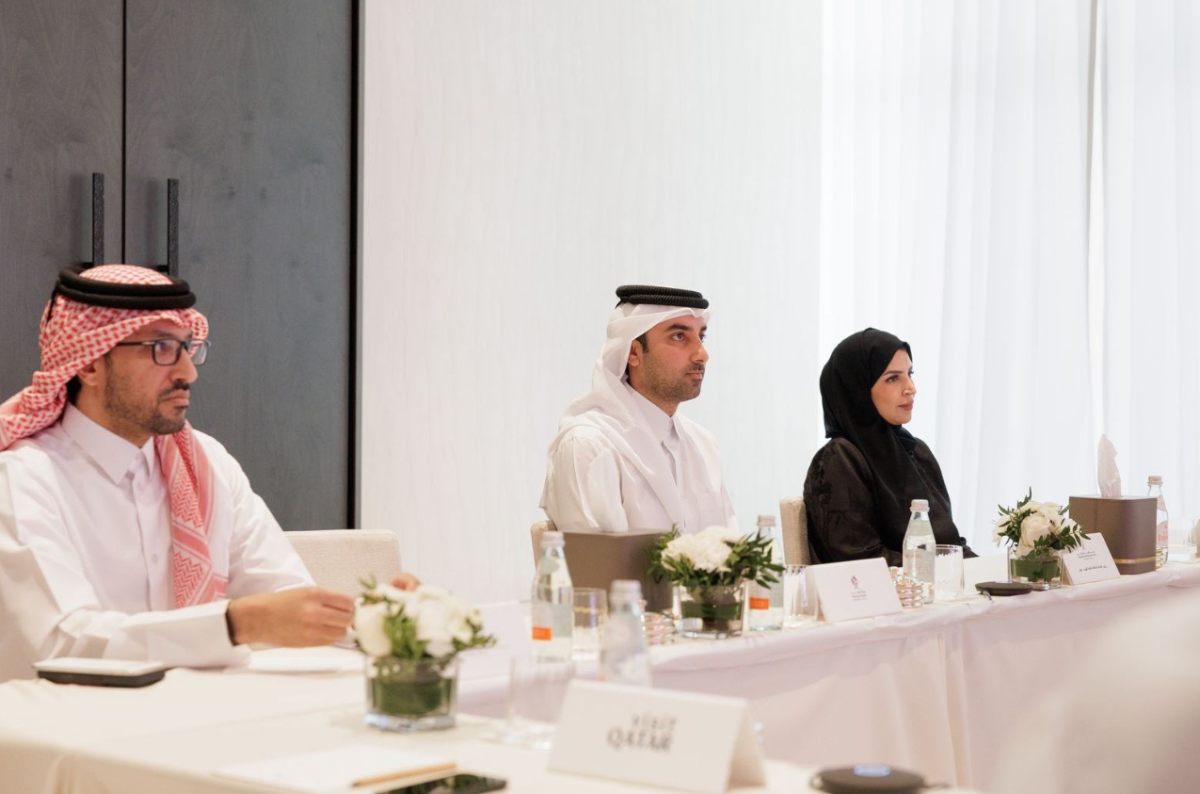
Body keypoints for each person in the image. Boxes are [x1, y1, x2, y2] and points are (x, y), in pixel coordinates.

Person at [0, 265, 415, 682]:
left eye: (188, 347)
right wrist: (235, 624)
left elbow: (284, 597)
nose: (188, 372)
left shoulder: (207, 462)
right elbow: (65, 642)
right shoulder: (23, 479)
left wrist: (373, 619)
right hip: (68, 717)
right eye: (161, 348)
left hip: (198, 707)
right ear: (89, 364)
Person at [540, 285, 737, 535]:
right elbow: (594, 558)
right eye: (679, 336)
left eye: (702, 337)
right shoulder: (589, 446)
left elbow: (731, 548)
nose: (702, 354)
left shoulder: (703, 443)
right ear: (633, 352)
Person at [803, 328, 973, 564]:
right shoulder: (840, 459)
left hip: (938, 584)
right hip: (881, 588)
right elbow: (860, 560)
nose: (911, 388)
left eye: (910, 374)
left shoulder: (916, 452)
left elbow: (950, 544)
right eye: (893, 378)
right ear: (858, 388)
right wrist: (945, 568)